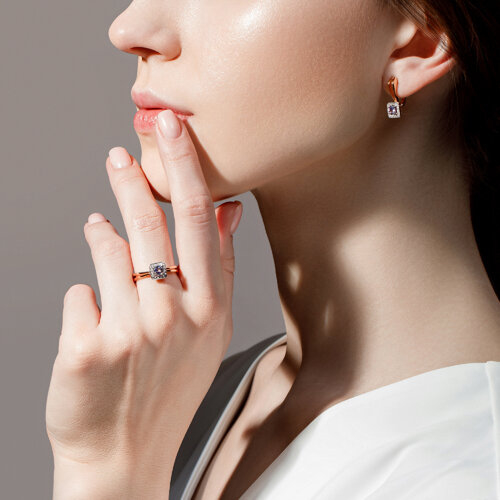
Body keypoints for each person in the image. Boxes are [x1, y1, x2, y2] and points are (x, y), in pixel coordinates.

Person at [46, 0, 500, 499]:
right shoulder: (183, 399)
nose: (128, 29)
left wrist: (108, 477)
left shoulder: (469, 477)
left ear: (419, 42)